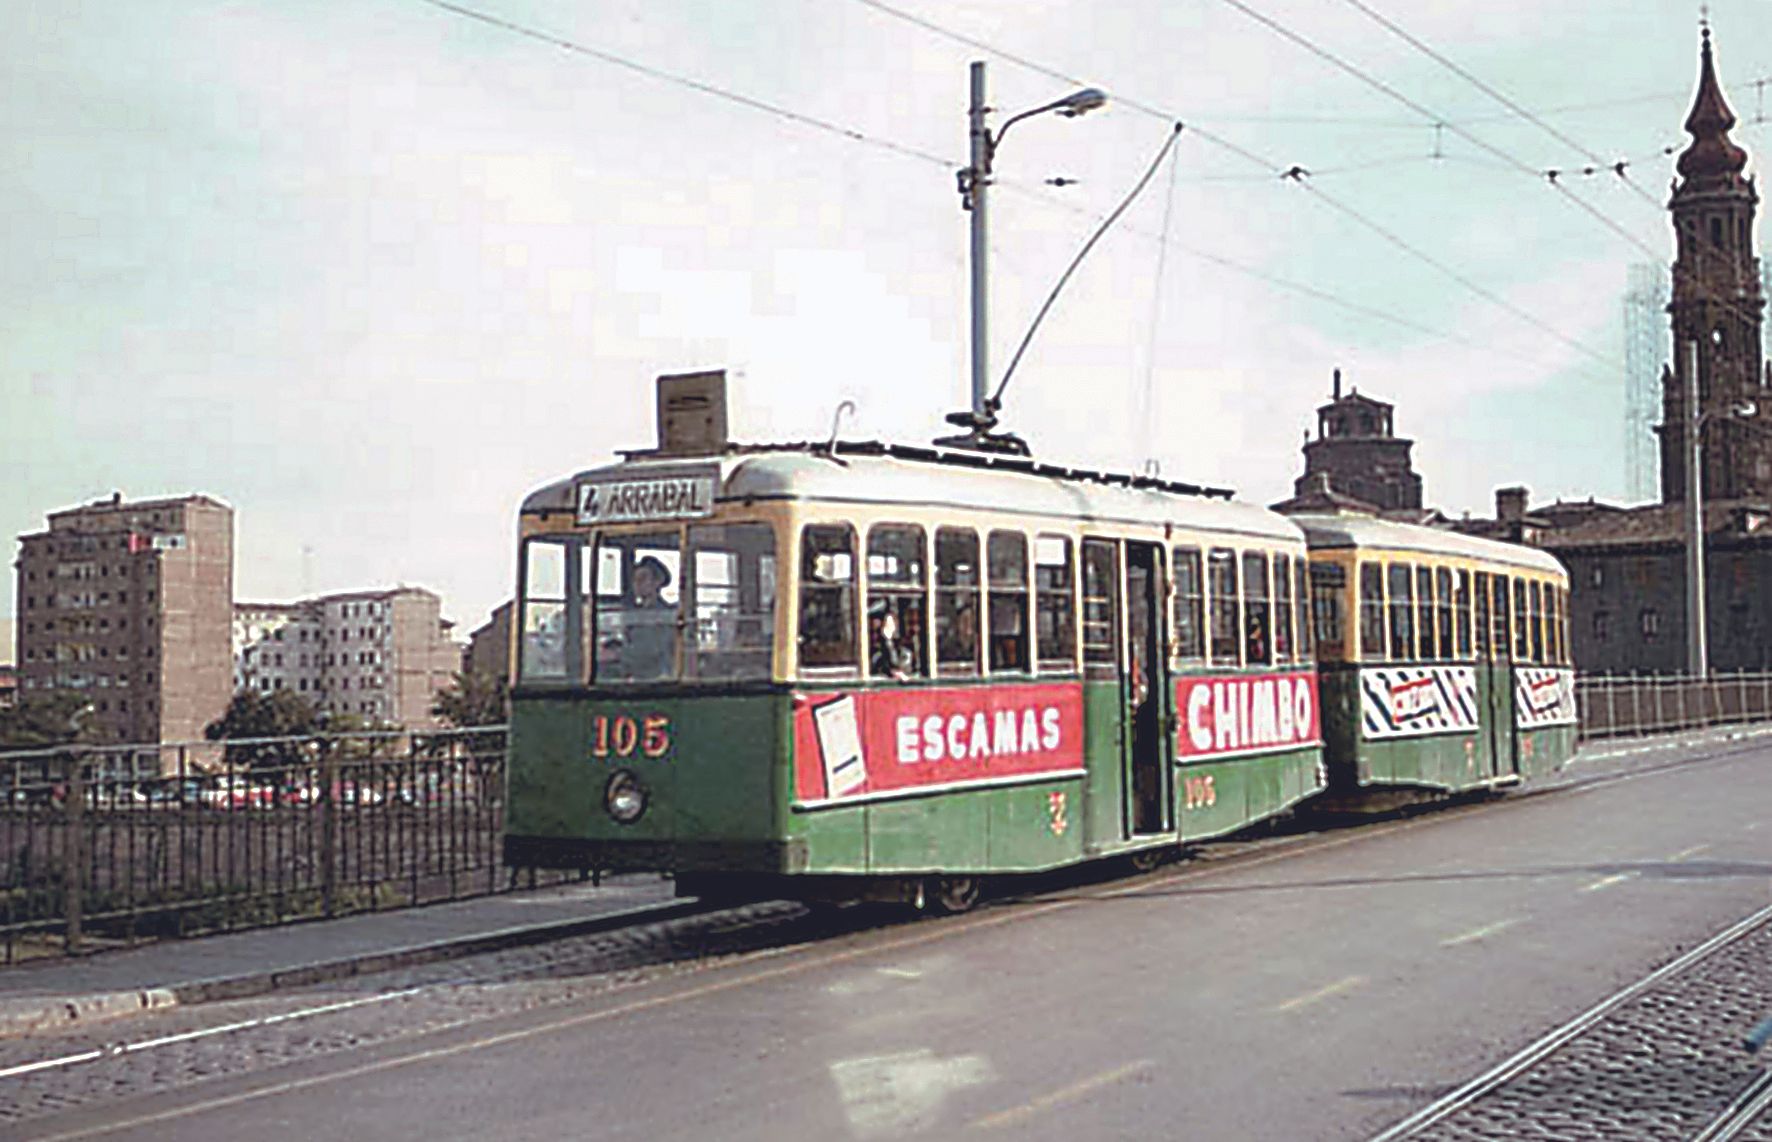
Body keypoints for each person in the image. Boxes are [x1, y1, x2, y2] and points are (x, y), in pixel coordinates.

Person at [612, 555, 675, 680]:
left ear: (657, 582)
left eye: (642, 578)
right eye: (635, 580)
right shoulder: (635, 614)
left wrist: (617, 654)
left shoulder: (665, 615)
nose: (637, 584)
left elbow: (651, 649)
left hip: (657, 678)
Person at [869, 600, 914, 680]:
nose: (890, 626)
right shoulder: (875, 652)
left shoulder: (904, 651)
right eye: (886, 623)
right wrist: (886, 639)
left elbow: (901, 666)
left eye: (891, 623)